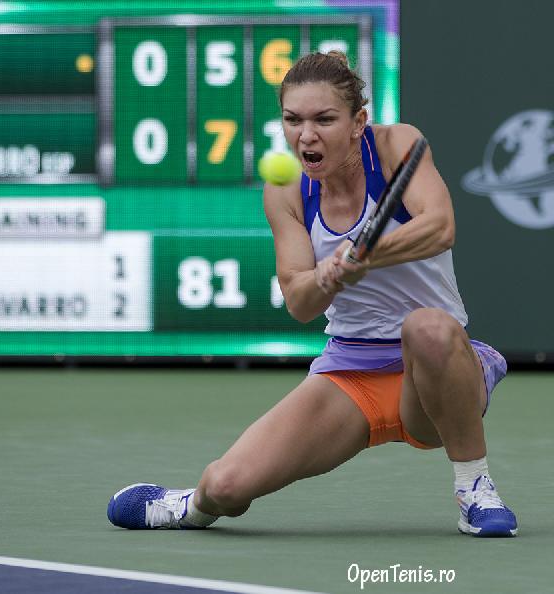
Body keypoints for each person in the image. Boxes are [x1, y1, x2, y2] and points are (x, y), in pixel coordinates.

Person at [106, 51, 517, 537]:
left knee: (427, 326)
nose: (306, 135)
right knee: (225, 485)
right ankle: (188, 507)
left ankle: (475, 489)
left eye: (324, 119)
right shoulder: (286, 190)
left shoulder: (396, 146)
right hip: (352, 373)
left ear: (358, 122)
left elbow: (440, 227)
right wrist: (326, 277)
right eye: (293, 120)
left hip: (432, 378)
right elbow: (300, 303)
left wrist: (365, 254)